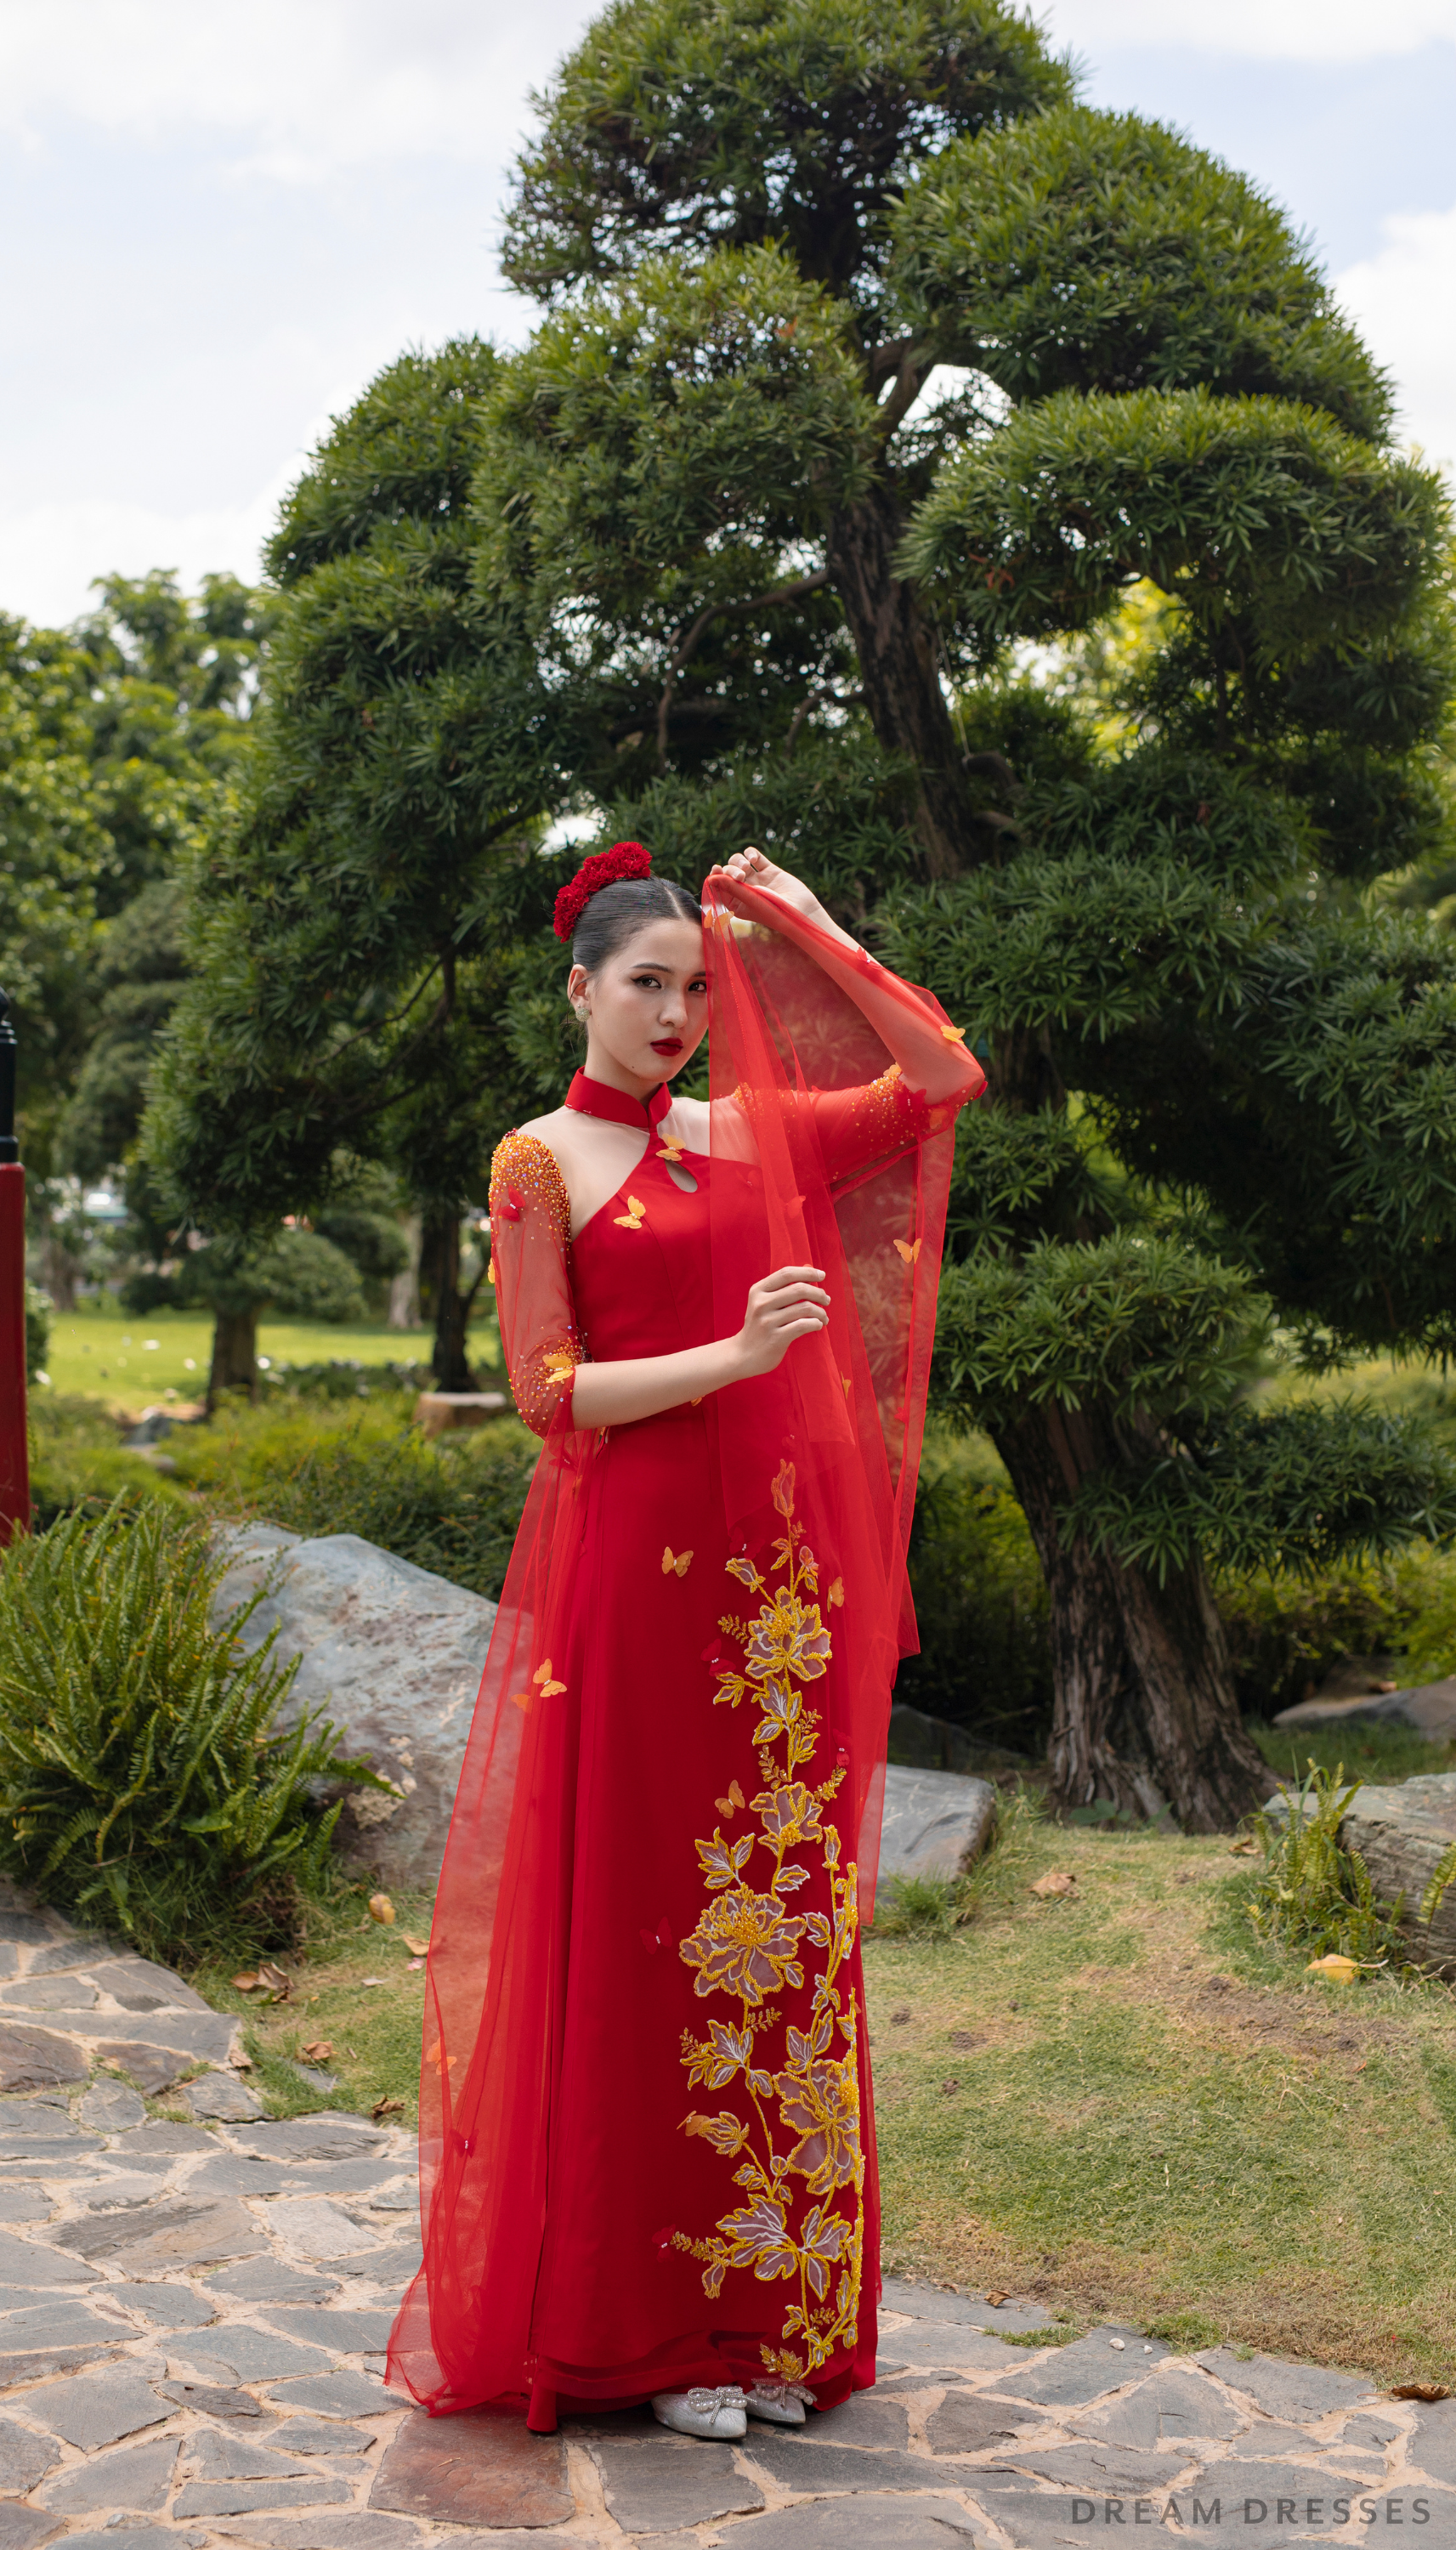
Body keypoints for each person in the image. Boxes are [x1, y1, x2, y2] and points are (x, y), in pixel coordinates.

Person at [386, 839, 985, 2440]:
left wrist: (805, 923)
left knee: (781, 1936)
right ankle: (646, 2335)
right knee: (644, 1937)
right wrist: (730, 1353)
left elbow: (942, 1073)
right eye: (646, 984)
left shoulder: (758, 1136)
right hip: (632, 1593)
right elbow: (546, 1394)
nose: (674, 1012)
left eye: (699, 988)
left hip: (773, 1611)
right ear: (579, 990)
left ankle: (767, 2316)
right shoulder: (538, 1165)